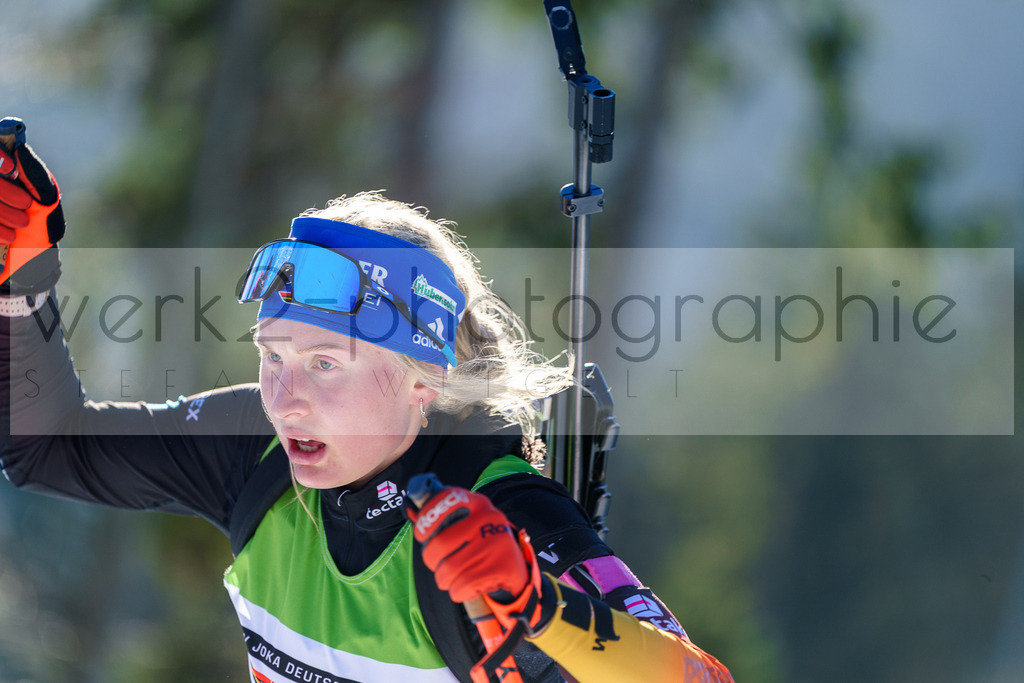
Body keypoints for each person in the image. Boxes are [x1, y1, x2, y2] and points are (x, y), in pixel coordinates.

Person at [0, 117, 733, 683]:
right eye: (272, 357)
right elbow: (45, 445)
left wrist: (538, 603)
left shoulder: (496, 517)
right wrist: (20, 277)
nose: (286, 400)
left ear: (425, 379)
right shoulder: (256, 451)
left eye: (325, 364)